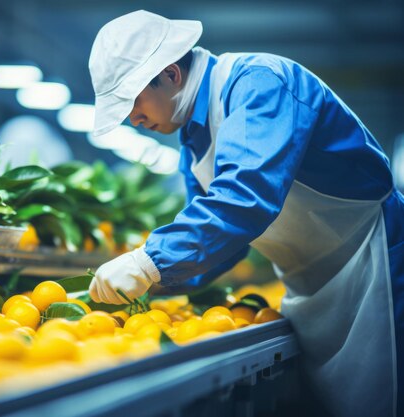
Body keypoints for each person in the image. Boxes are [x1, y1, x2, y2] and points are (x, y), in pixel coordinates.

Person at [87, 9, 404, 417]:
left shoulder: (258, 82)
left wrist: (150, 261)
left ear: (171, 74)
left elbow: (244, 197)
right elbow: (225, 244)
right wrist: (154, 285)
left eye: (131, 100)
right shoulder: (194, 143)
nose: (132, 118)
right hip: (308, 291)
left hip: (376, 267)